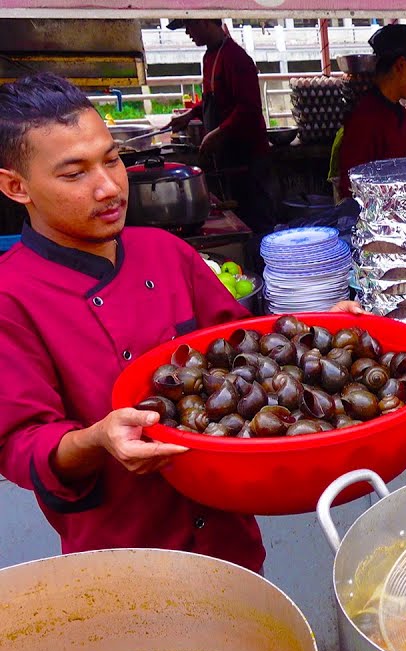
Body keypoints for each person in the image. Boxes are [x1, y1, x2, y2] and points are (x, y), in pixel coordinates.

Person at [0, 74, 364, 572]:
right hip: (120, 555)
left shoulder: (165, 252)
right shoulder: (11, 295)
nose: (108, 186)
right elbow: (21, 444)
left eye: (111, 159)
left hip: (228, 538)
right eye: (74, 174)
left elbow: (245, 351)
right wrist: (97, 438)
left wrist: (307, 331)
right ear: (16, 186)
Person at [166, 18, 277, 234]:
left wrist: (217, 134)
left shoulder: (237, 58)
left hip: (249, 158)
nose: (188, 32)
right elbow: (214, 98)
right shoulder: (210, 56)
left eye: (189, 25)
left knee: (257, 220)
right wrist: (191, 114)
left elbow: (249, 108)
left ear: (206, 21)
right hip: (228, 157)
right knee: (236, 220)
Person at [335, 23, 406, 197]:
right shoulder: (365, 120)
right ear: (401, 65)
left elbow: (405, 162)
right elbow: (350, 190)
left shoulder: (400, 113)